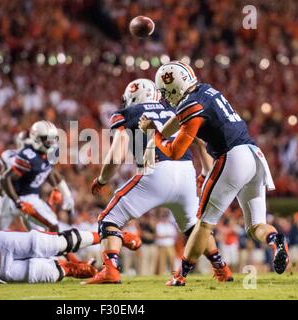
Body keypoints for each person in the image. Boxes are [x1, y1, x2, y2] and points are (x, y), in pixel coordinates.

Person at [139, 61, 289, 286]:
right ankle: (274, 239)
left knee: (204, 223)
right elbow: (177, 122)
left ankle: (180, 275)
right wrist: (159, 128)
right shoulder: (206, 90)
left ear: (174, 87)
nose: (164, 96)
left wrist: (154, 134)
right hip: (255, 155)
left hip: (232, 157)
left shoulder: (190, 105)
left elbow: (176, 150)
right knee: (255, 226)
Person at [85, 79, 232, 284]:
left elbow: (117, 155)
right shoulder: (173, 109)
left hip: (155, 170)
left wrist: (102, 179)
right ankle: (222, 269)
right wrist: (206, 172)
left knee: (109, 218)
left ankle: (110, 270)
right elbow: (199, 141)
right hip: (186, 171)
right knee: (193, 226)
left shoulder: (126, 113)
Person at [0, 122, 74, 232]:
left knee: (41, 231)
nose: (52, 142)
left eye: (53, 138)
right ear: (36, 139)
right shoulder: (27, 157)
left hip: (30, 197)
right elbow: (4, 179)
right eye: (48, 139)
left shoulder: (46, 153)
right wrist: (18, 202)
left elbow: (48, 170)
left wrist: (59, 189)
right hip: (14, 197)